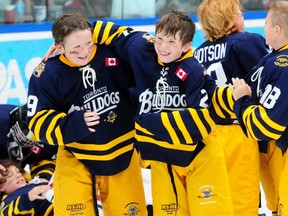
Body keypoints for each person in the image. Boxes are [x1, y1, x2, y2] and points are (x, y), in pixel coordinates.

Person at [85, 11, 233, 215]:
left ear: (186, 46)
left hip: (200, 155)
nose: (163, 47)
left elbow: (200, 122)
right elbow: (108, 31)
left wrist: (146, 123)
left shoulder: (193, 70)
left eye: (172, 42)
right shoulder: (142, 47)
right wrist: (64, 44)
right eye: (160, 39)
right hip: (163, 159)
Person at [26, 13, 147, 215]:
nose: (84, 52)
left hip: (124, 155)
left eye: (89, 44)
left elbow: (146, 47)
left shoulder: (113, 53)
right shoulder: (47, 73)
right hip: (76, 159)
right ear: (59, 47)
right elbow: (37, 122)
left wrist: (96, 29)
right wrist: (74, 123)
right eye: (75, 49)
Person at [194, 0, 270, 215]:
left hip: (208, 134)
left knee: (216, 202)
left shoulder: (199, 52)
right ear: (226, 17)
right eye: (238, 11)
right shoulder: (247, 42)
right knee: (241, 203)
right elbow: (267, 81)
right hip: (239, 132)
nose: (242, 14)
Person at [229, 1, 288, 215]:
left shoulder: (283, 66)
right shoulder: (269, 59)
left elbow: (266, 125)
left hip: (280, 147)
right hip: (272, 150)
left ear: (277, 29)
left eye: (265, 23)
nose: (262, 27)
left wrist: (242, 100)